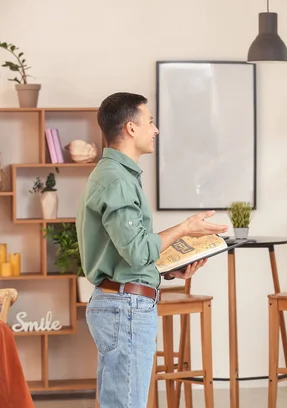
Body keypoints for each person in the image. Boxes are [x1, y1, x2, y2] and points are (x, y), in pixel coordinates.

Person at [75, 92, 228, 408]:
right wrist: (185, 229)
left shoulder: (117, 176)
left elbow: (127, 253)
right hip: (125, 306)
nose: (155, 129)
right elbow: (136, 250)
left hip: (122, 301)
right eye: (151, 121)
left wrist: (169, 269)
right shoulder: (117, 180)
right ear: (131, 128)